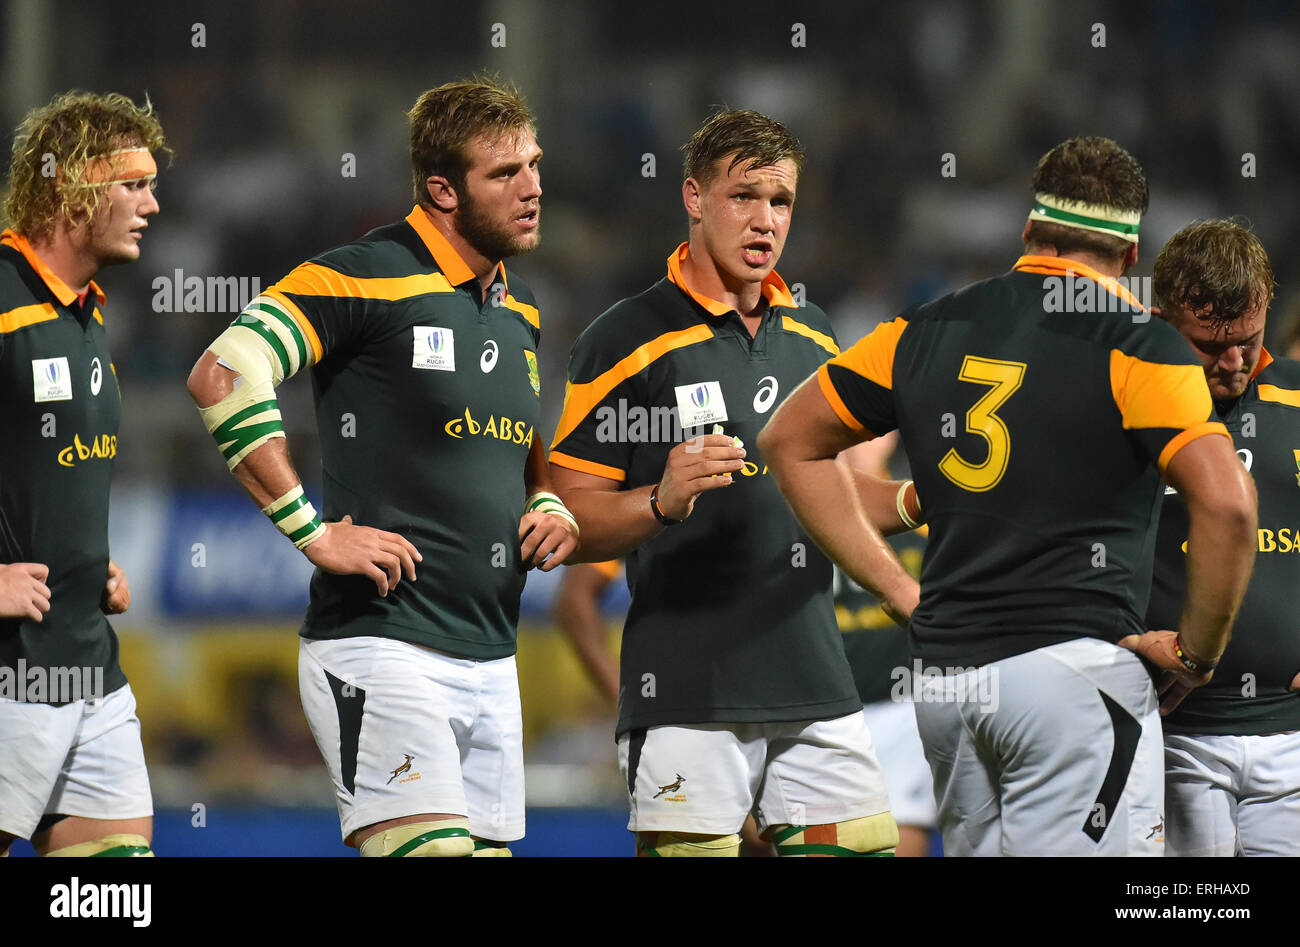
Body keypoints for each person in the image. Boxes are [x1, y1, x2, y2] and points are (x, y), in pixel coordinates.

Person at [759, 136, 1258, 856]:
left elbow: (787, 441)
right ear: (1132, 252)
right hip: (1072, 678)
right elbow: (1230, 505)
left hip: (946, 690)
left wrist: (900, 581)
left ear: (1028, 232)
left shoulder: (923, 327)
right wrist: (1197, 655)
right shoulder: (1143, 345)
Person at [186, 76, 578, 858]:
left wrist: (549, 501)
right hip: (382, 644)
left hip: (493, 658)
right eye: (504, 174)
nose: (533, 187)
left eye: (534, 165)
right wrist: (312, 532)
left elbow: (515, 441)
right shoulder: (362, 272)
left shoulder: (520, 305)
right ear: (442, 188)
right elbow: (224, 373)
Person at [550, 109, 903, 857]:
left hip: (817, 687)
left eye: (780, 203)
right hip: (687, 694)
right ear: (693, 196)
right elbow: (565, 519)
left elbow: (832, 494)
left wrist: (913, 498)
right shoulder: (625, 339)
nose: (765, 220)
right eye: (744, 196)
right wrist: (657, 500)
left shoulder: (816, 334)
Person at [0, 90, 167, 857]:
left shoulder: (86, 315)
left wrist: (84, 562)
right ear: (72, 189)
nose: (153, 204)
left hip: (88, 664)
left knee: (111, 894)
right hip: (10, 673)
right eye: (134, 184)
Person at [1147, 219, 1300, 856]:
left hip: (1292, 739)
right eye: (1211, 345)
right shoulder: (1127, 406)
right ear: (1161, 322)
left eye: (1250, 341)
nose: (1234, 364)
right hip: (1172, 736)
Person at [835, 434, 938, 857]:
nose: (861, 440)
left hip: (903, 708)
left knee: (903, 831)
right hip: (820, 708)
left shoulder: (924, 514)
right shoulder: (798, 508)